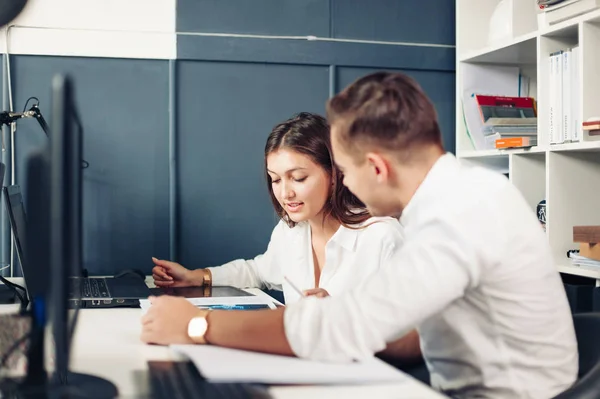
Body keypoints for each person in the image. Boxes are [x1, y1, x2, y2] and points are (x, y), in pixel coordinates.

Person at [141, 72, 578, 399]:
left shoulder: (457, 215)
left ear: (377, 167)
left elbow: (345, 327)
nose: (346, 185)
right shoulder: (460, 194)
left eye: (345, 171)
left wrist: (198, 324)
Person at [151, 112, 404, 305]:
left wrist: (342, 314)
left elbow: (412, 336)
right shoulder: (290, 229)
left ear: (335, 174)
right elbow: (258, 271)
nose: (285, 193)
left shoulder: (382, 237)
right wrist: (195, 277)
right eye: (276, 179)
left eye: (298, 178)